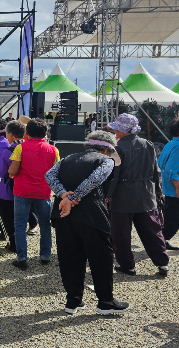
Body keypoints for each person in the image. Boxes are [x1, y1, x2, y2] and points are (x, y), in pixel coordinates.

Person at [45, 131, 130, 315]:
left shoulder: (68, 159)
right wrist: (74, 197)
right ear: (108, 148)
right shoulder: (106, 161)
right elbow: (95, 179)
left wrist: (63, 196)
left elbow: (49, 175)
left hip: (63, 215)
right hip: (92, 216)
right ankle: (105, 302)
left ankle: (73, 301)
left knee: (69, 258)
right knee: (101, 259)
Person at [106, 114, 169, 276]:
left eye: (116, 127)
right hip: (146, 192)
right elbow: (156, 169)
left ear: (121, 130)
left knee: (121, 233)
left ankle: (127, 265)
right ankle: (162, 263)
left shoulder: (116, 149)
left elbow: (114, 174)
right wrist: (158, 190)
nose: (114, 130)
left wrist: (108, 195)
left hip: (123, 195)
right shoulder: (147, 144)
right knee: (152, 230)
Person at [8, 118, 59, 269]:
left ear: (27, 132)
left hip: (22, 191)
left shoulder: (20, 148)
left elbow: (12, 170)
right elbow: (56, 172)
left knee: (20, 224)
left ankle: (22, 257)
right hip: (43, 192)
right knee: (45, 224)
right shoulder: (53, 150)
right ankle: (45, 255)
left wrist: (11, 174)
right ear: (45, 132)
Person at [0, 120, 26, 252]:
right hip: (27, 190)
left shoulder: (8, 152)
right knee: (21, 218)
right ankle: (21, 243)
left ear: (11, 135)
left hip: (9, 191)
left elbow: (2, 173)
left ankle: (13, 242)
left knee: (8, 217)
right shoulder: (29, 148)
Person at [159, 117, 179, 250]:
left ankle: (161, 240)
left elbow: (161, 164)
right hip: (177, 189)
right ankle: (160, 242)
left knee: (169, 217)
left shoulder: (170, 144)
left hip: (168, 188)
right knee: (175, 219)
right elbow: (171, 168)